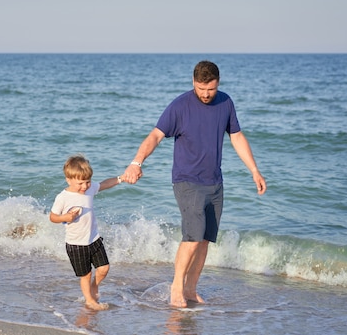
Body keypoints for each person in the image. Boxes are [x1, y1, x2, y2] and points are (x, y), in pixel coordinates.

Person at [121, 60, 266, 308]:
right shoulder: (180, 106)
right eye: (201, 89)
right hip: (187, 181)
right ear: (193, 83)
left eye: (210, 89)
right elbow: (155, 135)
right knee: (192, 236)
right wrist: (136, 162)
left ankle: (190, 289)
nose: (206, 94)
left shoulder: (226, 102)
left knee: (205, 239)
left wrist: (254, 170)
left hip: (215, 182)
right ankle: (176, 289)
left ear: (217, 83)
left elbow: (237, 136)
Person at [49, 154, 124, 311]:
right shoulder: (63, 197)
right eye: (80, 183)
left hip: (94, 239)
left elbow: (104, 184)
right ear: (68, 180)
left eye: (87, 182)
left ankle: (94, 287)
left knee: (104, 268)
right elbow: (53, 217)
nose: (84, 186)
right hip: (76, 244)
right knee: (86, 275)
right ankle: (89, 300)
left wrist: (120, 178)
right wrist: (66, 217)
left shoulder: (89, 190)